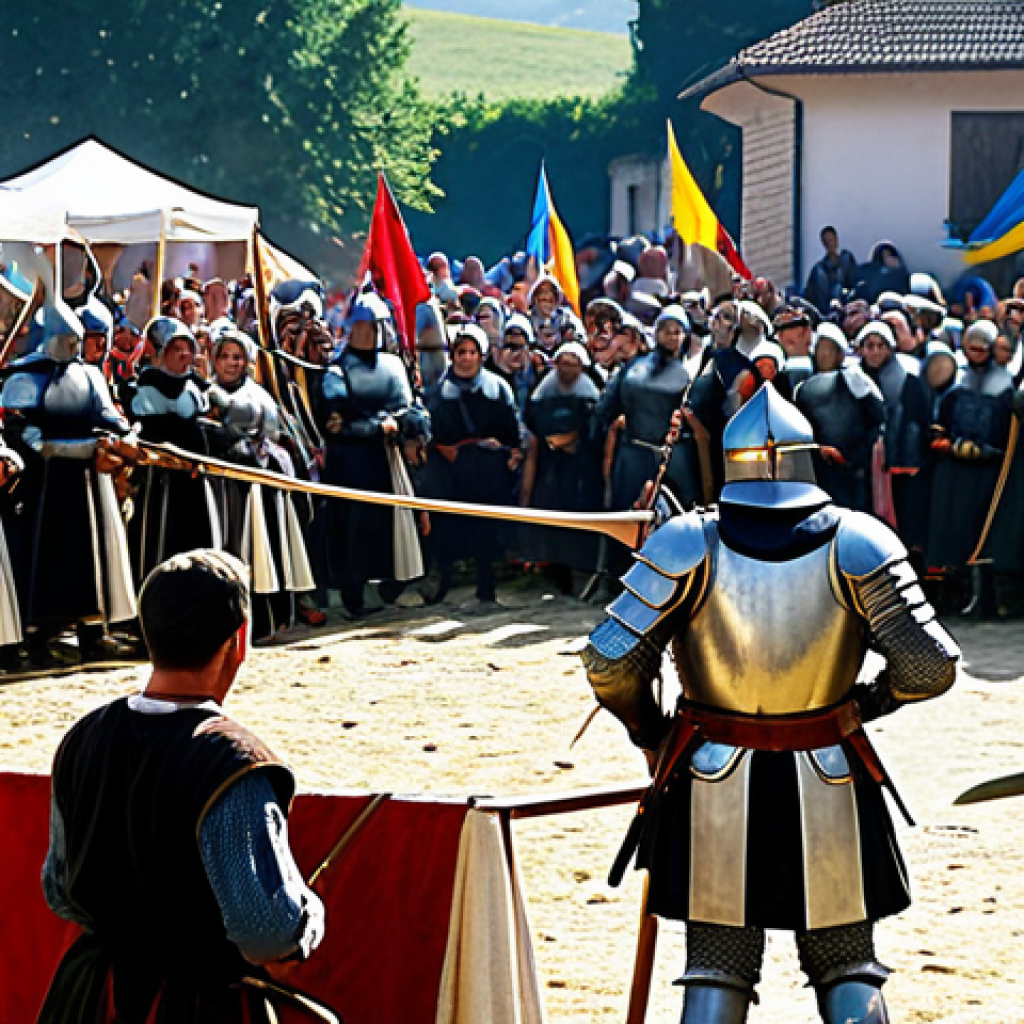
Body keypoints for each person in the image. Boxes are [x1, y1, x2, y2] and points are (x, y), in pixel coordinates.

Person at [581, 382, 959, 1024]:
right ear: (811, 456)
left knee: (717, 971)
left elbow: (610, 663)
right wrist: (865, 705)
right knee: (848, 966)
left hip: (712, 776)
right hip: (830, 775)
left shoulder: (687, 543)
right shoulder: (860, 541)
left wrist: (651, 732)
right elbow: (930, 666)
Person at [38, 549, 327, 1024]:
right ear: (240, 640)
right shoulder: (233, 762)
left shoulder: (82, 737)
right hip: (191, 1007)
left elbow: (60, 890)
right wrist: (307, 916)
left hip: (97, 999)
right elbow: (267, 934)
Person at [316, 293, 428, 617]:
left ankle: (390, 586)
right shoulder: (337, 371)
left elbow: (410, 406)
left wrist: (411, 426)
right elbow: (336, 424)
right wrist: (377, 428)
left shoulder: (393, 364)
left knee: (391, 525)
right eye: (363, 324)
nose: (369, 331)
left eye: (374, 325)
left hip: (388, 459)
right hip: (352, 462)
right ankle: (353, 594)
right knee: (353, 528)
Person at [426, 324, 522, 611]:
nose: (466, 358)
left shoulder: (498, 386)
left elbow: (512, 429)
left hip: (489, 468)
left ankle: (487, 587)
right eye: (461, 352)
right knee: (450, 526)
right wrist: (447, 451)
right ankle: (445, 583)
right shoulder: (440, 391)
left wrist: (510, 454)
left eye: (472, 352)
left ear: (481, 356)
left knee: (487, 528)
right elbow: (432, 432)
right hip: (452, 469)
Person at [519, 340, 603, 591]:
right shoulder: (543, 392)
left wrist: (572, 441)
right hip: (550, 465)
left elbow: (594, 429)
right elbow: (533, 423)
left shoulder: (590, 394)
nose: (566, 368)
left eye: (572, 363)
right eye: (562, 363)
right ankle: (555, 572)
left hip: (581, 466)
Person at [794, 324, 885, 513]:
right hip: (821, 467)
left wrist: (859, 456)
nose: (825, 355)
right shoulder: (803, 388)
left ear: (841, 354)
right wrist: (817, 449)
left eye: (830, 349)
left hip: (855, 468)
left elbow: (877, 417)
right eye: (821, 348)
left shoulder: (856, 380)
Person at [803, 226, 858, 313]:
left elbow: (854, 281)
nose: (829, 244)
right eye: (826, 241)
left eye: (831, 240)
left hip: (846, 306)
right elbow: (809, 294)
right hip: (825, 310)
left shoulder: (846, 260)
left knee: (838, 287)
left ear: (836, 240)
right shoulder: (818, 269)